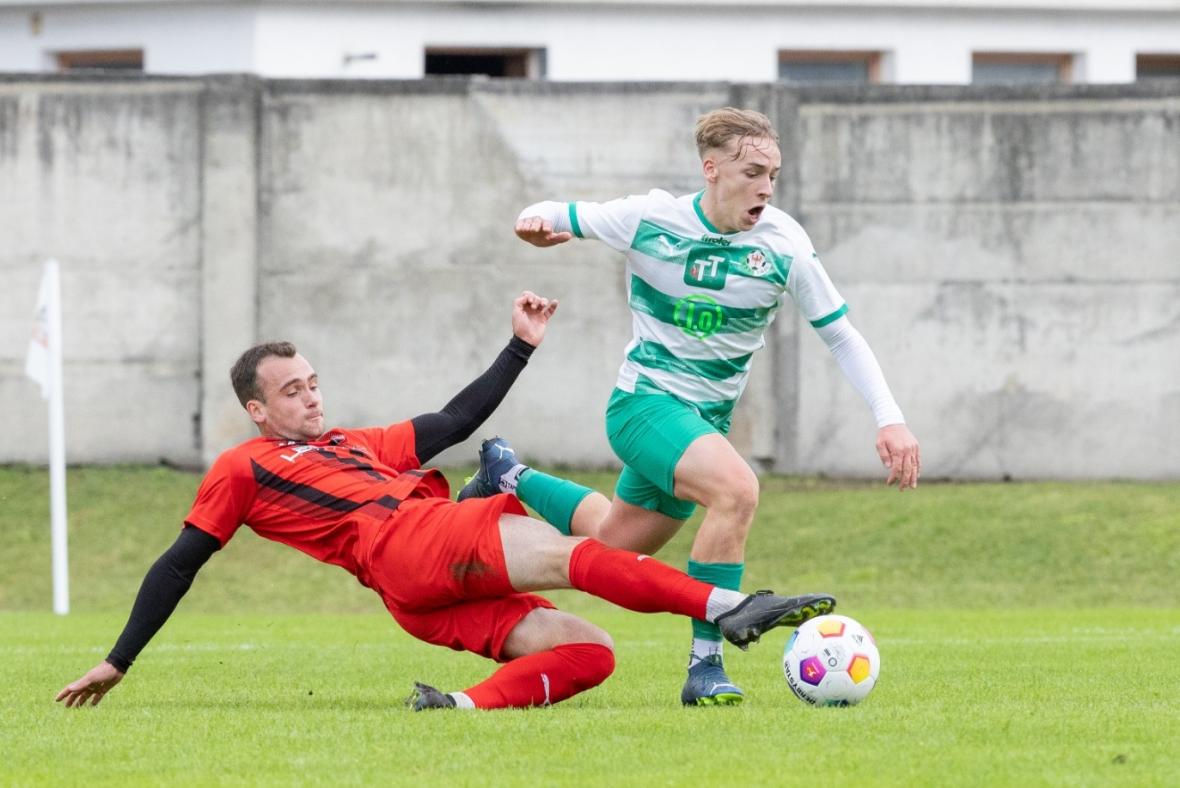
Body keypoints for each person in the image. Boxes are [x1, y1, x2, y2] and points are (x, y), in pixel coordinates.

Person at [55, 291, 835, 712]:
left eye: (313, 383)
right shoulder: (243, 465)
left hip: (415, 593)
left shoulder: (354, 444)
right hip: (409, 546)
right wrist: (118, 660)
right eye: (292, 392)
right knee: (572, 553)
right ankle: (725, 609)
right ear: (258, 410)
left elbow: (455, 420)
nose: (311, 398)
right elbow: (180, 562)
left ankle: (458, 707)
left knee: (590, 653)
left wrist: (520, 346)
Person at [465, 107, 919, 707]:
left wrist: (889, 417)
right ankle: (706, 668)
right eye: (753, 171)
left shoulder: (783, 243)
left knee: (612, 547)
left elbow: (839, 333)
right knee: (736, 492)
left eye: (773, 174)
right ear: (711, 169)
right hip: (644, 406)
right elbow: (560, 213)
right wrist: (537, 223)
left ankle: (505, 473)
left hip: (702, 423)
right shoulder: (651, 218)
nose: (766, 187)